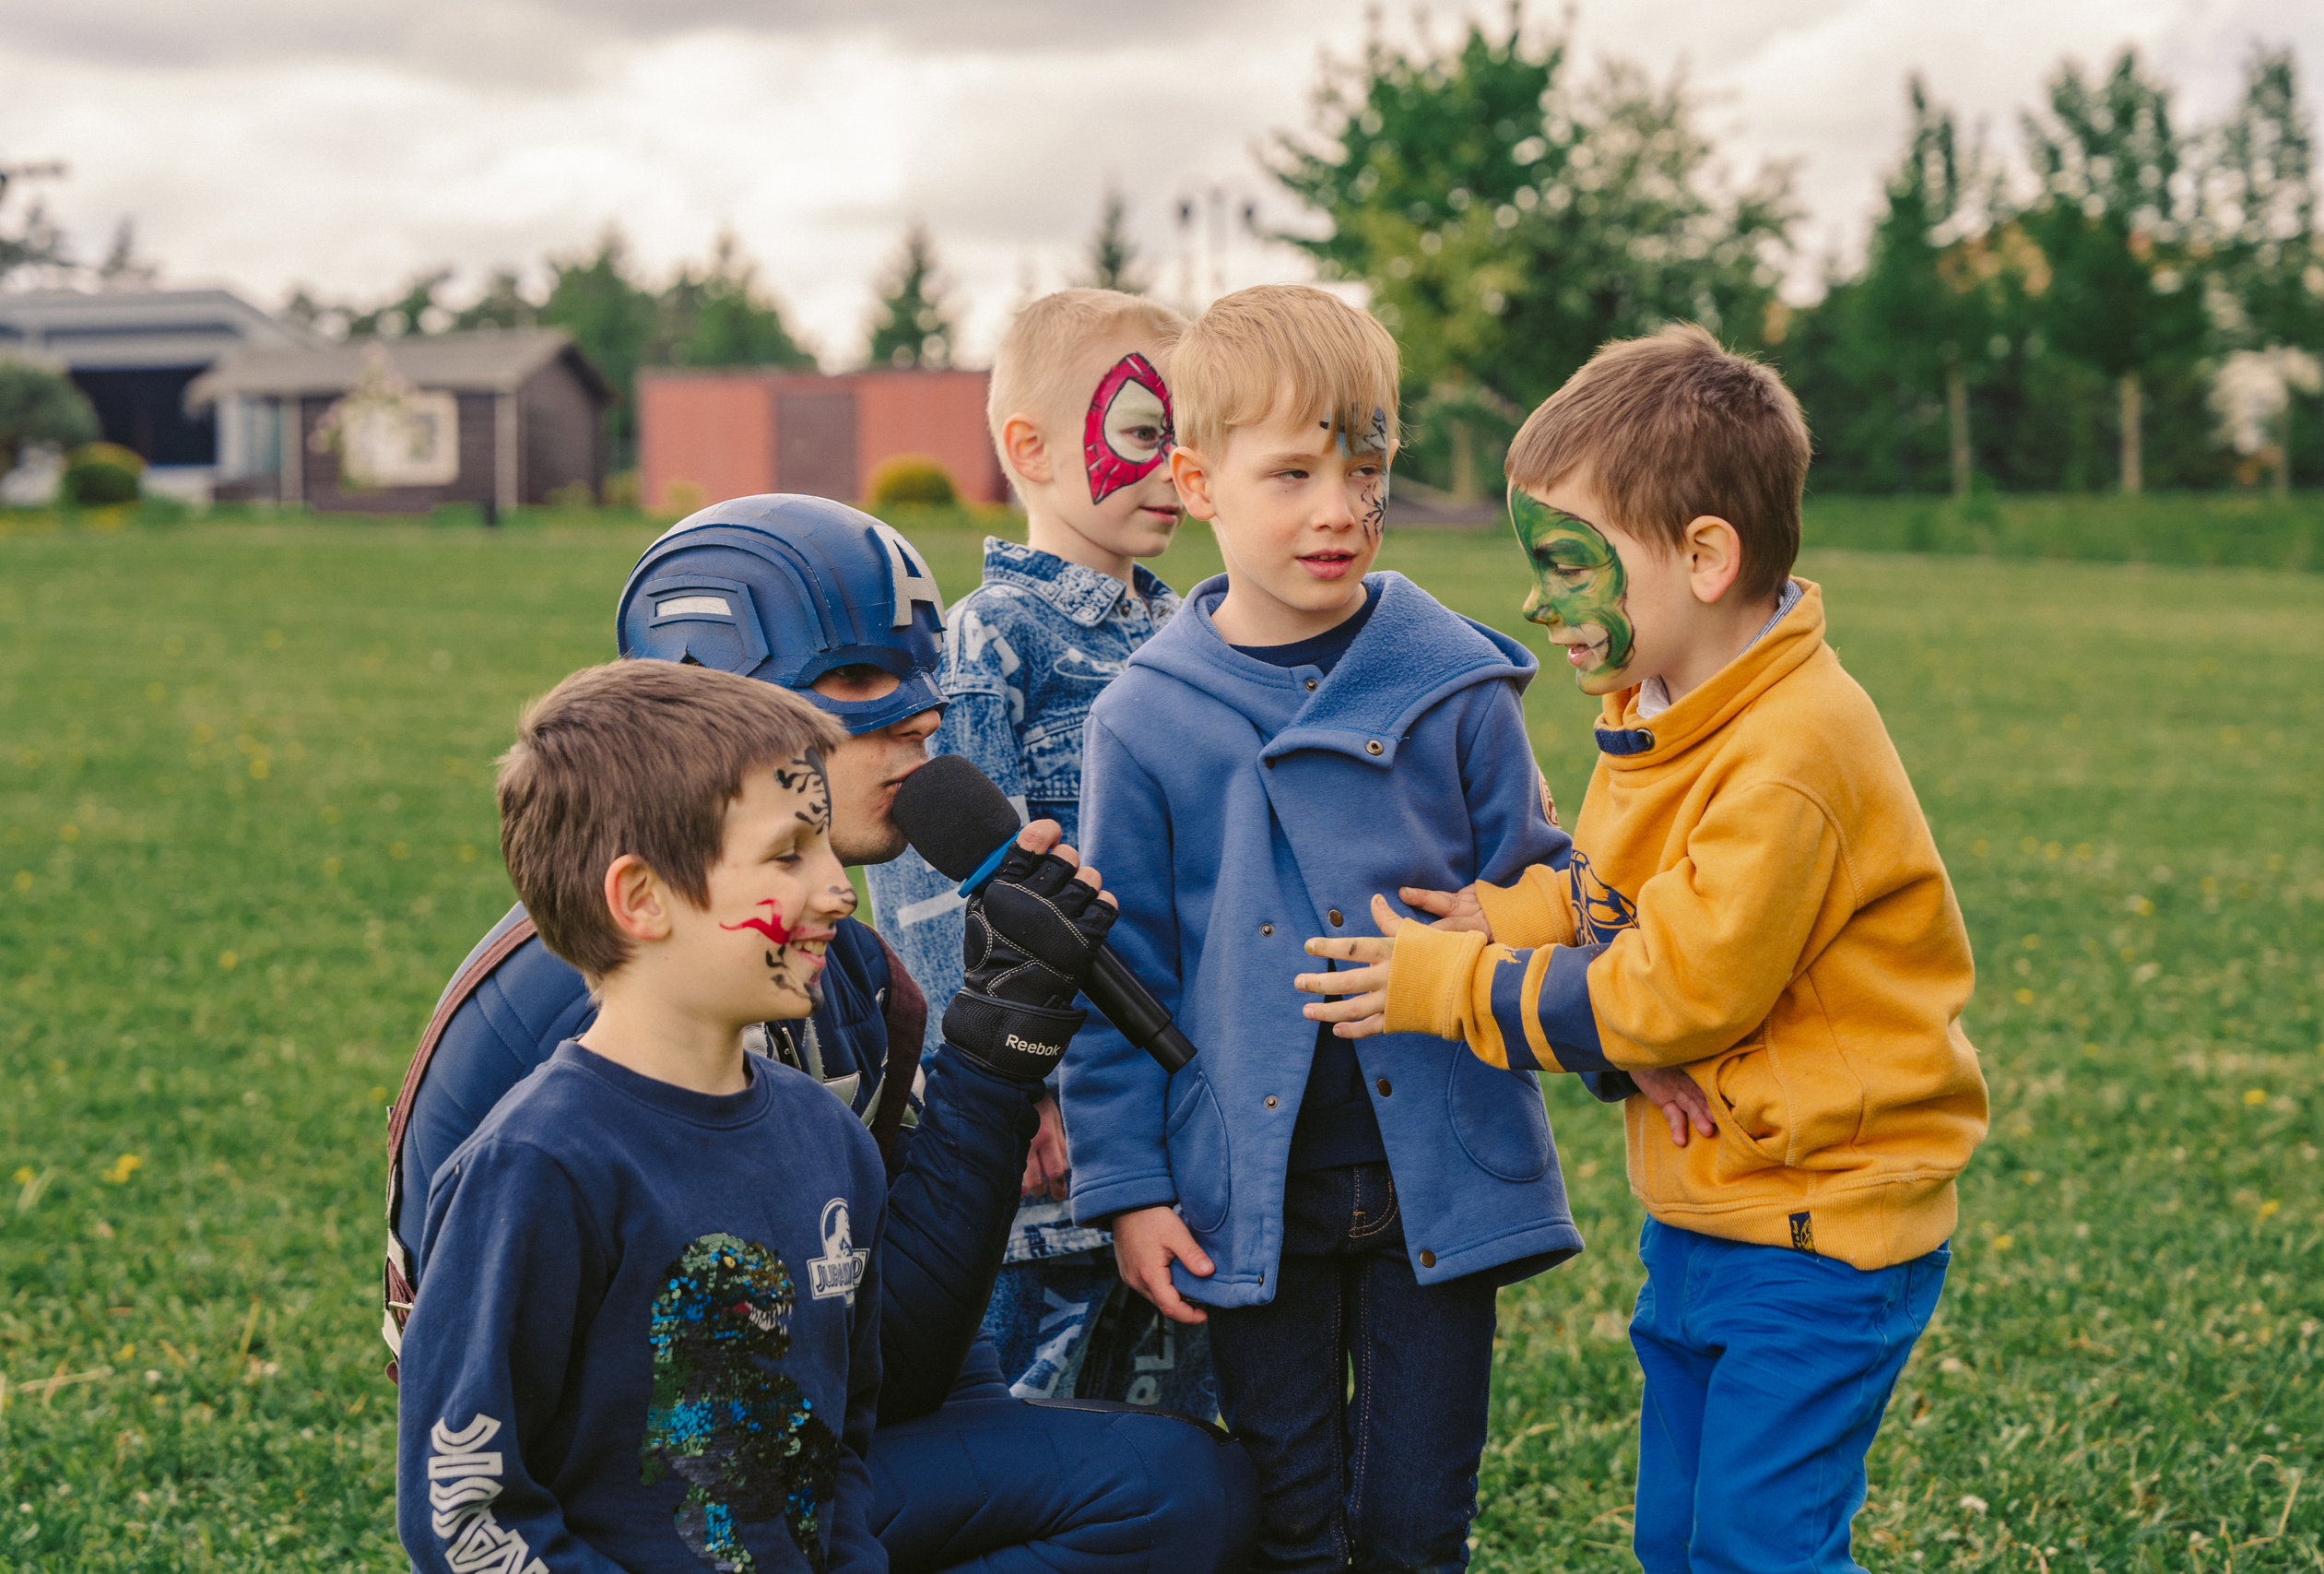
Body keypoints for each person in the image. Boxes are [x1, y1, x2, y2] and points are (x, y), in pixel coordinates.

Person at [388, 495, 1257, 1574]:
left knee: (1187, 1492)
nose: (924, 719)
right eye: (855, 682)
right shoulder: (571, 1050)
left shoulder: (835, 974)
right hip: (625, 1489)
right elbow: (476, 1468)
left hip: (787, 1457)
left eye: (919, 671)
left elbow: (895, 1366)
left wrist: (1001, 1038)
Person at [1301, 325, 1989, 1574]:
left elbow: (1676, 991)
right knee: (1674, 1538)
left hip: (1822, 1226)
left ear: (1705, 557)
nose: (1534, 598)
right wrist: (1501, 917)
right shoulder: (1656, 705)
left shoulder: (1792, 752)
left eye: (1567, 562)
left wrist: (1446, 983)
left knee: (1755, 1545)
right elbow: (1616, 894)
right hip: (1711, 1211)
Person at [1056, 285, 1587, 1574]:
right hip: (1251, 1187)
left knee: (1414, 1522)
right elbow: (1119, 973)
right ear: (1196, 481)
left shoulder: (1456, 686)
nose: (1340, 507)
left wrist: (1591, 993)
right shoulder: (1146, 716)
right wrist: (1127, 1189)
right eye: (1292, 473)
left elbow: (1549, 885)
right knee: (1292, 1516)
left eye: (1365, 468)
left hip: (1434, 1175)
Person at [396, 659, 892, 1571]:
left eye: (824, 847)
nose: (837, 889)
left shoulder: (835, 1146)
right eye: (789, 854)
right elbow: (464, 1506)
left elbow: (841, 1453)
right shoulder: (539, 1167)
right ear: (640, 900)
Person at [867, 287, 1220, 1414]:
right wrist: (1019, 1090)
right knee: (1045, 1398)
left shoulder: (1195, 638)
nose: (1174, 468)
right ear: (1028, 447)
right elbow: (938, 883)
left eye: (1189, 436)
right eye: (1141, 433)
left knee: (1167, 1399)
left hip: (1174, 1102)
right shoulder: (989, 645)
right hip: (1048, 1141)